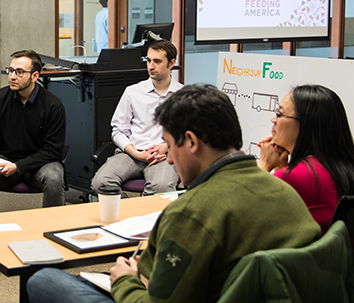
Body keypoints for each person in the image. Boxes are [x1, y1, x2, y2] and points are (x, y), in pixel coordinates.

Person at [26, 84, 321, 303]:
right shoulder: (286, 192)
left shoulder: (190, 214)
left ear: (191, 142)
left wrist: (127, 282)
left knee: (44, 280)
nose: (168, 159)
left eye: (169, 145)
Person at [0, 49, 66, 280]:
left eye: (19, 72)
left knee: (55, 177)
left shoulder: (53, 104)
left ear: (35, 76)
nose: (12, 76)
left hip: (39, 163)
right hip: (5, 162)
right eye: (10, 70)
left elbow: (53, 150)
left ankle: (50, 247)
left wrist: (20, 166)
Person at [257, 84, 354, 233]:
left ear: (305, 125)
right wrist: (282, 167)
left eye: (280, 114)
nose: (273, 120)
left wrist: (264, 164)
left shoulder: (300, 175)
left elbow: (241, 210)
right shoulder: (335, 165)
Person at [92, 40, 182, 196]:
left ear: (171, 63)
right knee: (101, 183)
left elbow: (186, 132)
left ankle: (144, 218)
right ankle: (128, 215)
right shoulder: (133, 92)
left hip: (163, 155)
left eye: (157, 61)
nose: (151, 66)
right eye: (148, 60)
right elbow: (118, 130)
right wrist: (135, 153)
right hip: (132, 154)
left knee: (161, 188)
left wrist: (165, 147)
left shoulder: (183, 95)